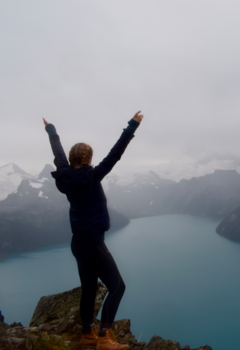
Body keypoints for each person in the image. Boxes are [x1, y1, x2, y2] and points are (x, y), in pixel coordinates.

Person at [43, 111, 144, 350]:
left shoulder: (65, 175)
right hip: (94, 242)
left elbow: (57, 153)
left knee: (89, 289)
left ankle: (87, 333)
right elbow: (115, 154)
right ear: (88, 160)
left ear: (70, 159)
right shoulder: (92, 176)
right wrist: (131, 126)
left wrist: (52, 131)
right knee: (118, 287)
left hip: (78, 243)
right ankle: (103, 337)